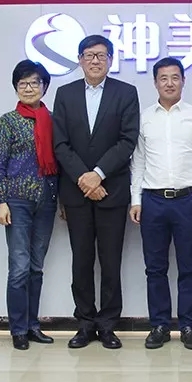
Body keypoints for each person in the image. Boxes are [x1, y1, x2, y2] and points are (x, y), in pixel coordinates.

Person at [52, 35, 139, 350]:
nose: (95, 61)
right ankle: (85, 323)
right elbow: (60, 143)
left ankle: (108, 325)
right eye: (89, 55)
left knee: (111, 261)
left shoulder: (125, 93)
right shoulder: (65, 94)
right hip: (76, 193)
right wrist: (84, 178)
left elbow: (128, 140)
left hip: (111, 191)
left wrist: (98, 174)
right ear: (79, 60)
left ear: (111, 60)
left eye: (101, 55)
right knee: (81, 260)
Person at [129, 57, 192, 350]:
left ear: (183, 81)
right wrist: (136, 200)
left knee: (189, 266)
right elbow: (138, 162)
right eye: (163, 78)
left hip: (188, 200)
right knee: (155, 267)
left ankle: (189, 326)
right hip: (152, 200)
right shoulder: (144, 118)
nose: (169, 83)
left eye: (175, 77)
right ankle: (160, 325)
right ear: (155, 82)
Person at [0, 60, 60, 351]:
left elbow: (60, 164)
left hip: (47, 200)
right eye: (23, 84)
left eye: (34, 83)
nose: (29, 88)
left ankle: (33, 326)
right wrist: (2, 201)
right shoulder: (8, 121)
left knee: (36, 267)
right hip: (17, 202)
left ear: (44, 86)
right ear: (16, 87)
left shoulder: (53, 120)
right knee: (19, 268)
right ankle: (18, 329)